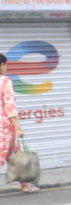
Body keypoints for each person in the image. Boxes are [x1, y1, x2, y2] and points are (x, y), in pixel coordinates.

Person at [0, 53, 36, 194]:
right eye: (5, 65)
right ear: (2, 65)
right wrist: (17, 127)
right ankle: (25, 185)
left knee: (14, 155)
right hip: (5, 126)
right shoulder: (5, 81)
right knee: (6, 155)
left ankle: (25, 185)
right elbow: (10, 105)